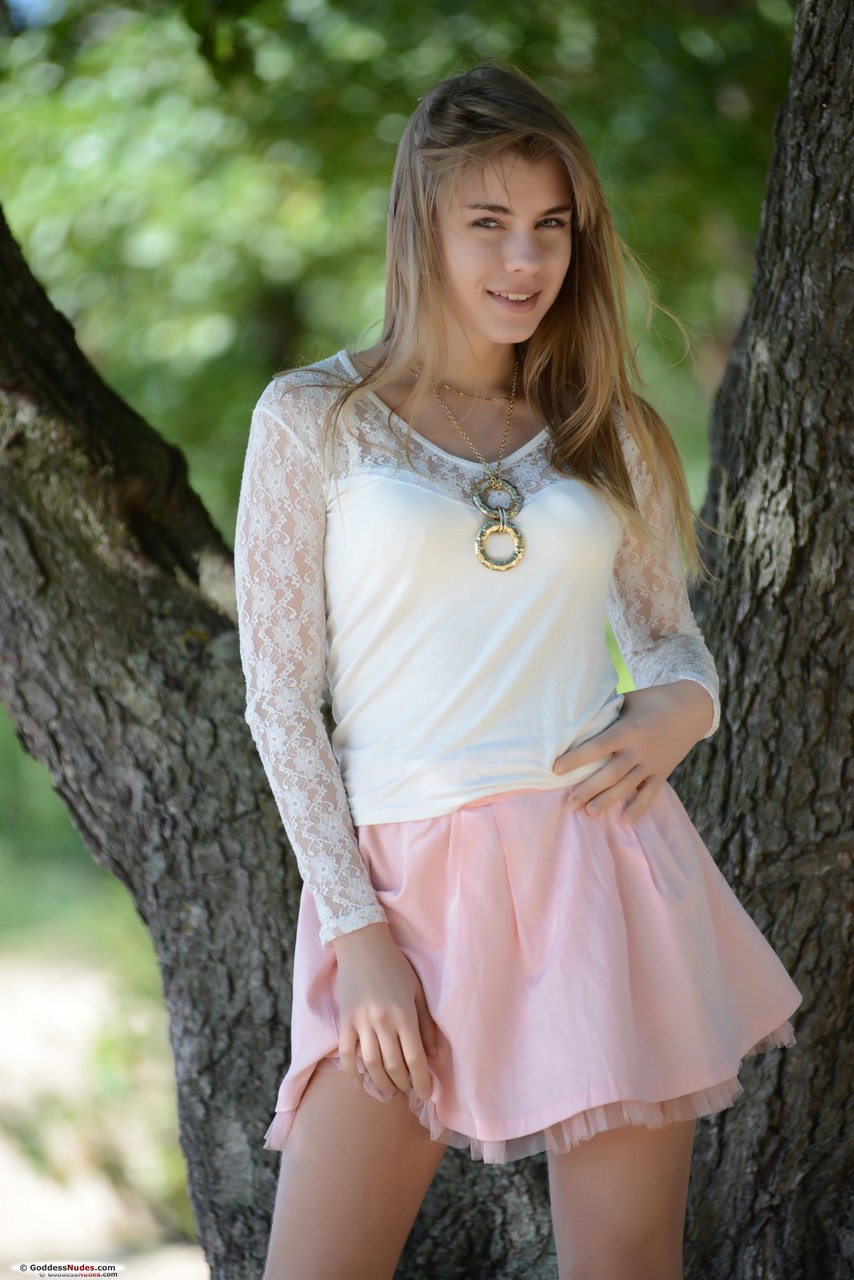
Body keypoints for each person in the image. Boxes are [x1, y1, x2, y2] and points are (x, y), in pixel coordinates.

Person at [234, 62, 802, 1280]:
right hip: (397, 886)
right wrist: (358, 935)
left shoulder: (605, 424)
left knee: (625, 1262)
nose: (524, 259)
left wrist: (679, 710)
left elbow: (667, 640)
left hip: (595, 870)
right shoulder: (313, 416)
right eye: (487, 222)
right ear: (420, 225)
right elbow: (277, 694)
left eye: (550, 225)